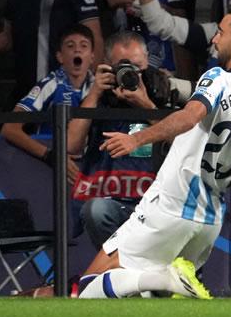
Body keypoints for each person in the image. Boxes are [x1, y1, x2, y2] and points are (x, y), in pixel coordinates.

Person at [77, 3, 231, 299]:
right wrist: (222, 176)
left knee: (90, 287)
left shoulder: (218, 78)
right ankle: (162, 285)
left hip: (172, 206)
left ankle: (162, 279)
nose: (214, 40)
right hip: (209, 221)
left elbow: (189, 117)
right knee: (149, 304)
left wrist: (137, 139)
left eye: (221, 33)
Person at [66, 31, 165, 248]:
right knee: (96, 210)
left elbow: (178, 145)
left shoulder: (163, 92)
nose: (131, 74)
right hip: (111, 201)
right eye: (123, 67)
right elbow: (71, 146)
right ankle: (119, 271)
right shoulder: (97, 99)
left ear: (147, 61)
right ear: (108, 66)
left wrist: (146, 106)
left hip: (155, 203)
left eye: (137, 67)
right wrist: (94, 93)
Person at [0, 25, 95, 178]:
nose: (77, 50)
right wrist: (49, 156)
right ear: (60, 57)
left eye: (83, 46)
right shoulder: (50, 84)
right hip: (46, 169)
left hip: (87, 170)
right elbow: (9, 129)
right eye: (70, 46)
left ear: (92, 57)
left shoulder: (99, 88)